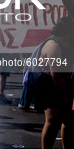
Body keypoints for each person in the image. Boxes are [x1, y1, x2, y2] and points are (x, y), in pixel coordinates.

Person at [35, 17, 73, 149]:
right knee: (52, 122)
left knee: (68, 121)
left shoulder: (65, 42)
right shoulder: (54, 46)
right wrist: (66, 94)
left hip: (63, 83)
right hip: (51, 86)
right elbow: (56, 76)